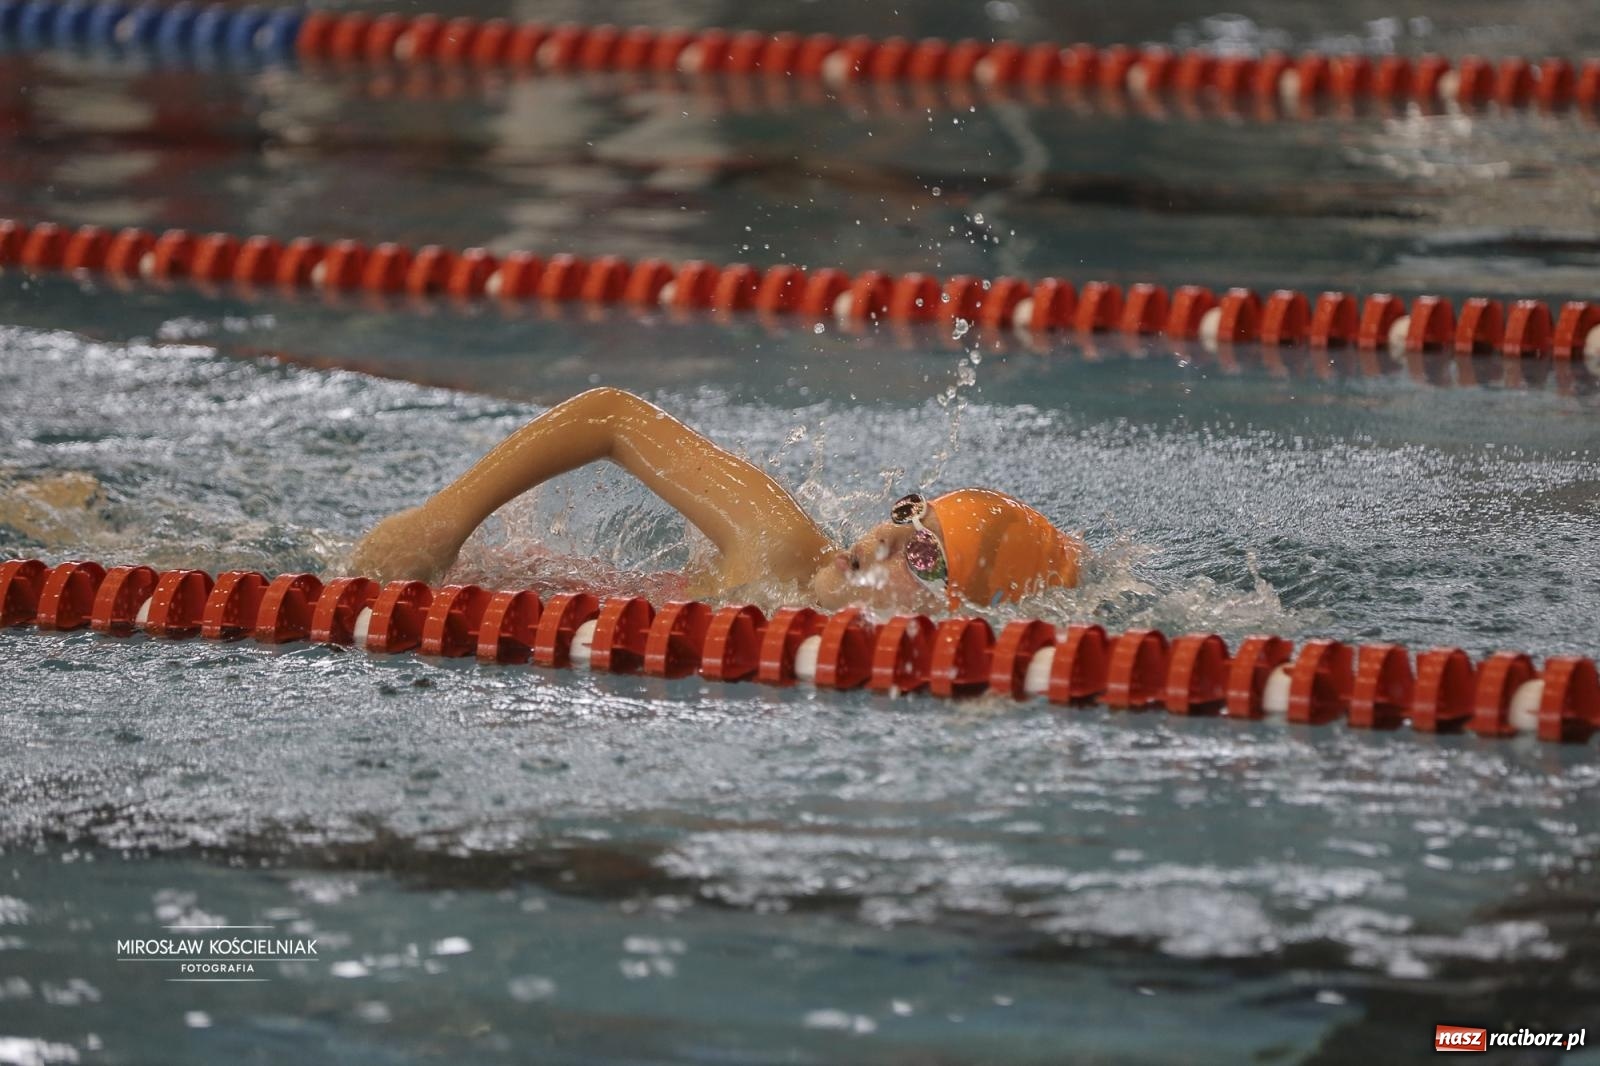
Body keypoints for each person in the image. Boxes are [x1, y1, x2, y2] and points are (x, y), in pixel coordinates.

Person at [350, 387, 1081, 613]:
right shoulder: (780, 549)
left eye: (924, 550)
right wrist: (437, 525)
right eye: (908, 514)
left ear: (952, 605)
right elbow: (610, 414)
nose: (891, 538)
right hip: (439, 594)